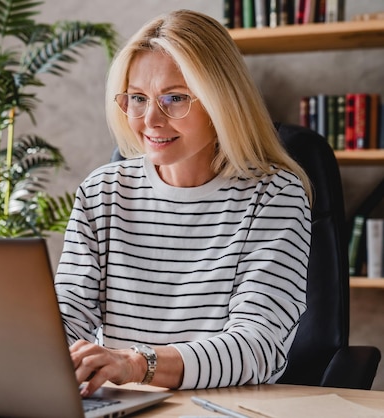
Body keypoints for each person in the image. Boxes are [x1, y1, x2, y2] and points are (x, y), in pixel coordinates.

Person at [54, 9, 312, 397]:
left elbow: (257, 346)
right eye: (137, 98)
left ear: (221, 102)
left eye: (175, 98)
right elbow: (66, 317)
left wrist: (137, 364)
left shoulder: (275, 195)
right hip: (121, 405)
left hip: (224, 407)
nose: (150, 120)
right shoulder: (101, 192)